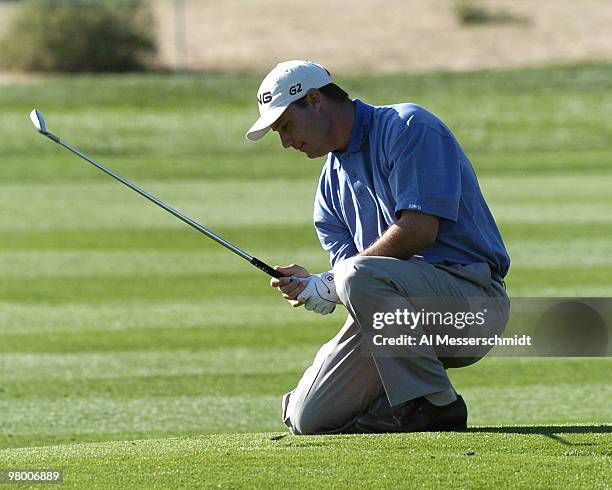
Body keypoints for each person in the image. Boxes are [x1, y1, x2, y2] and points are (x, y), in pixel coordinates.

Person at [245, 60, 510, 435]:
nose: (286, 142)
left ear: (315, 99)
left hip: (472, 306)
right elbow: (356, 286)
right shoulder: (328, 191)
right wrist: (317, 286)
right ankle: (399, 404)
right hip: (399, 330)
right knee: (308, 416)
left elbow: (418, 231)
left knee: (353, 273)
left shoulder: (408, 127)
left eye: (286, 126)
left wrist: (333, 281)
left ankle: (437, 405)